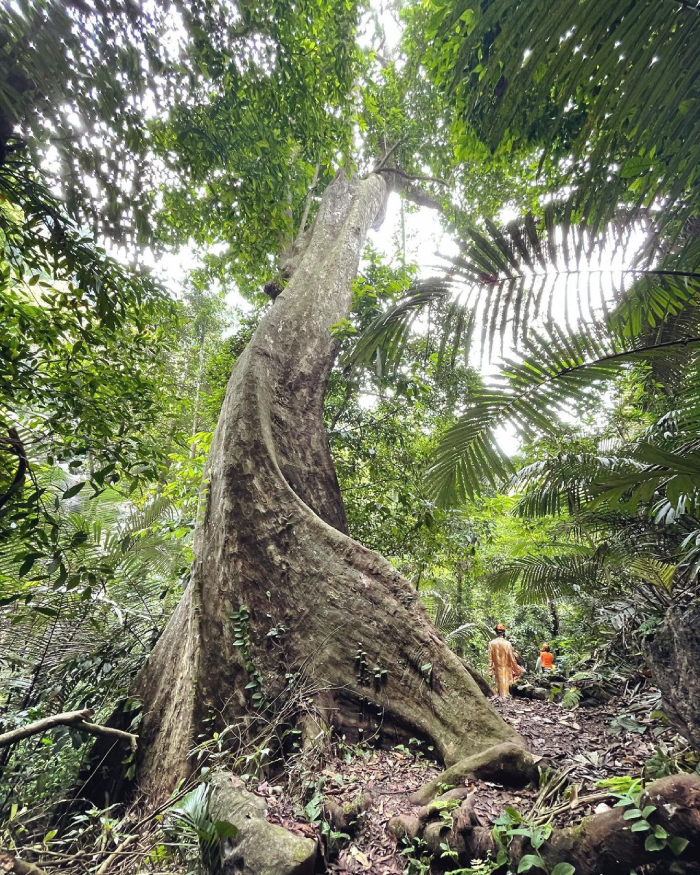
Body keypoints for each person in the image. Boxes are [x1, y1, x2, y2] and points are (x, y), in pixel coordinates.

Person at [488, 624, 524, 697]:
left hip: (497, 670)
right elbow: (512, 659)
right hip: (507, 670)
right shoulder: (508, 644)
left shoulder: (491, 643)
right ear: (503, 632)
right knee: (506, 690)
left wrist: (490, 671)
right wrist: (518, 670)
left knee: (498, 690)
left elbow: (490, 659)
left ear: (496, 632)